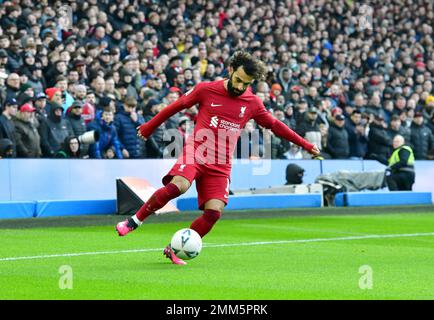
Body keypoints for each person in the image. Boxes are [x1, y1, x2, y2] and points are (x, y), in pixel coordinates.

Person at [115, 51, 320, 265]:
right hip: (198, 151)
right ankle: (134, 221)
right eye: (238, 80)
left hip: (221, 163)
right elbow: (177, 106)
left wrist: (306, 145)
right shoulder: (206, 89)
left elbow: (276, 126)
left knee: (214, 213)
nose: (240, 87)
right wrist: (149, 127)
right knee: (179, 186)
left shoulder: (252, 103)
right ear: (230, 70)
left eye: (246, 84)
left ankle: (174, 249)